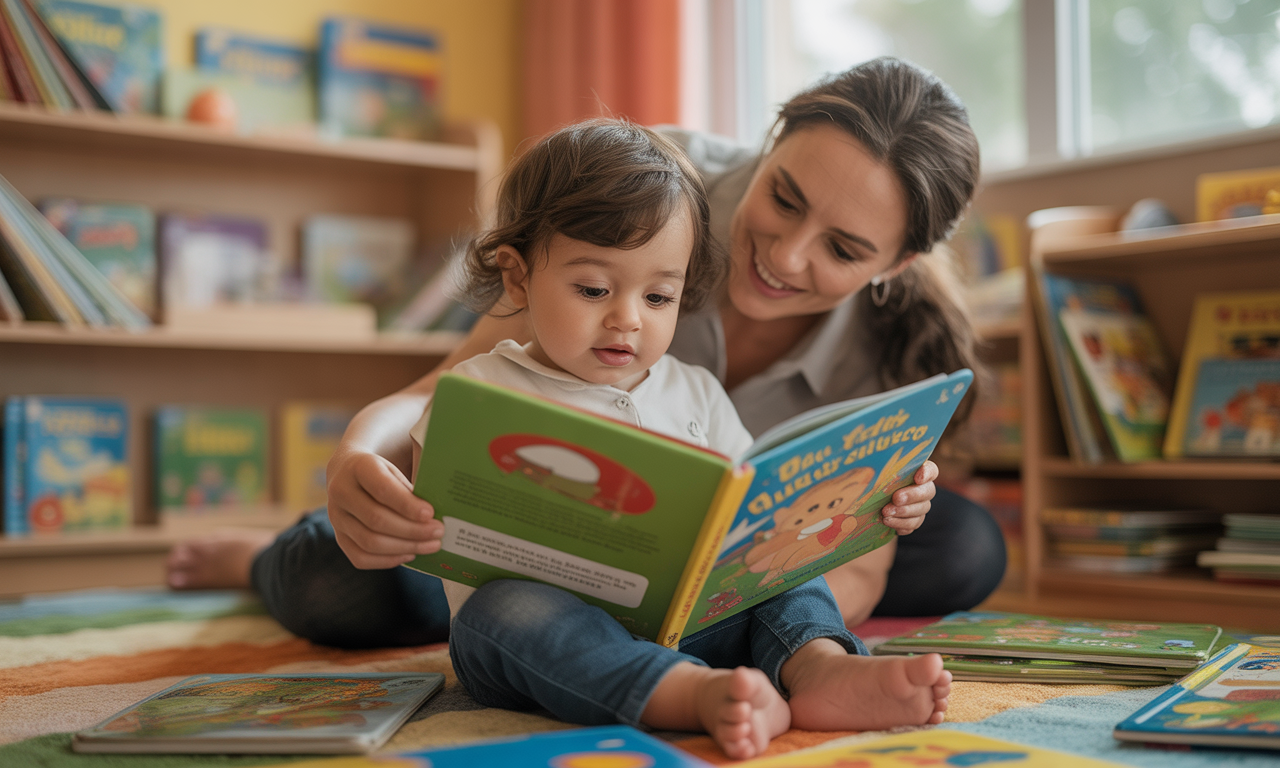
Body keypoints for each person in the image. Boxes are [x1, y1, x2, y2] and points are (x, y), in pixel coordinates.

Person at [167, 55, 1005, 648]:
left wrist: (731, 619)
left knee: (964, 544)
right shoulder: (643, 195)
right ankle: (260, 556)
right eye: (782, 197)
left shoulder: (895, 343)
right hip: (541, 515)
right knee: (337, 582)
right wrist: (357, 451)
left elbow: (856, 564)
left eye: (844, 250)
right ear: (770, 140)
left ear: (896, 265)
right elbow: (450, 389)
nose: (786, 256)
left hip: (716, 561)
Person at [422, 117, 951, 759]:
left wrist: (883, 497)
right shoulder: (480, 393)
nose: (627, 318)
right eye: (593, 289)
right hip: (550, 639)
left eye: (660, 296)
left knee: (779, 562)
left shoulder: (697, 391)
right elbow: (440, 531)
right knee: (499, 612)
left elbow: (755, 515)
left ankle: (817, 666)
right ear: (516, 277)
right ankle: (686, 696)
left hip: (699, 624)